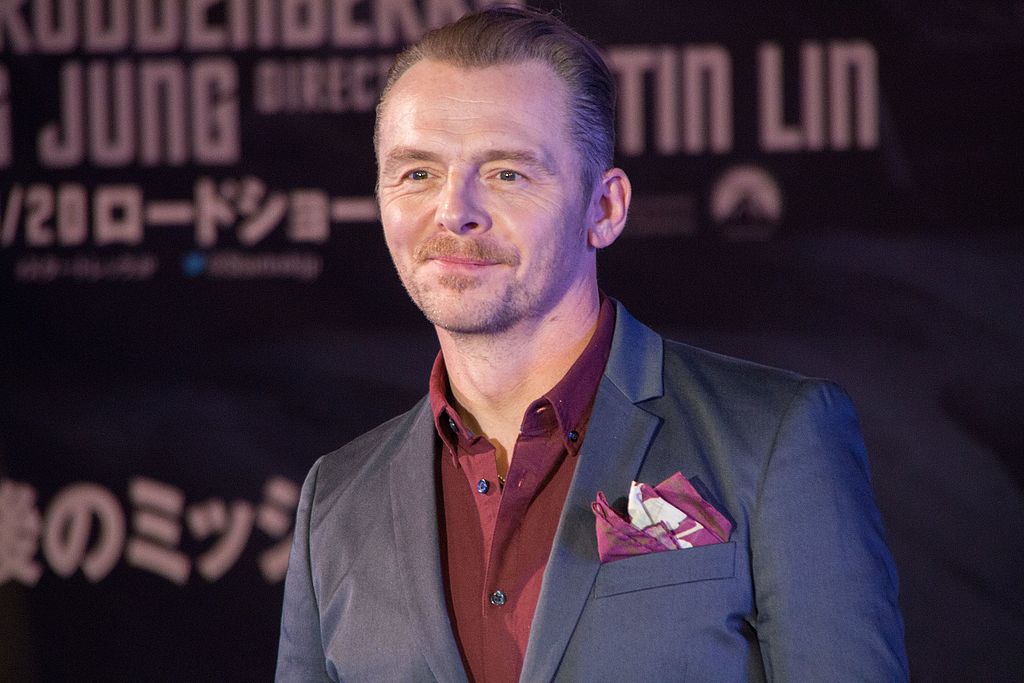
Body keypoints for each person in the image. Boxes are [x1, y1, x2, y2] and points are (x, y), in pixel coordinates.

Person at [276, 7, 908, 681]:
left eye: (506, 173)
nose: (453, 209)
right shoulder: (336, 501)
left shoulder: (778, 438)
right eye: (417, 174)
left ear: (604, 208)